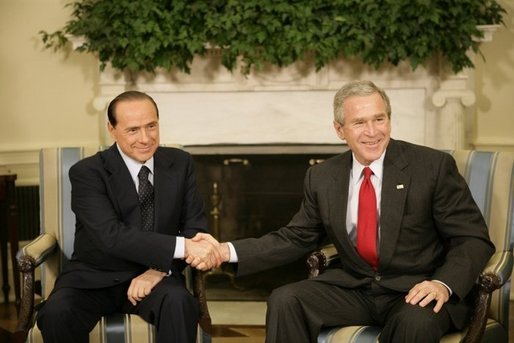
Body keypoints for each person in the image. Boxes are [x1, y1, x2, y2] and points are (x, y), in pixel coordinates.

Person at [200, 80, 495, 343]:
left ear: (389, 120)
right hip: (357, 287)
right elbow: (295, 237)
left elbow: (472, 238)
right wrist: (227, 251)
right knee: (286, 299)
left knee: (413, 323)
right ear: (339, 130)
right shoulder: (324, 176)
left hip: (419, 289)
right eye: (359, 123)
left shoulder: (430, 167)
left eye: (379, 119)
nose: (372, 132)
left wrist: (443, 284)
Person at [37, 91, 222, 343]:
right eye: (133, 130)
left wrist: (159, 268)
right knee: (56, 313)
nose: (145, 138)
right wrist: (182, 247)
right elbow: (109, 236)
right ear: (111, 129)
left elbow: (195, 228)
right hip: (94, 277)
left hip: (155, 277)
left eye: (151, 126)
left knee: (181, 303)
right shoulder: (88, 172)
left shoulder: (180, 163)